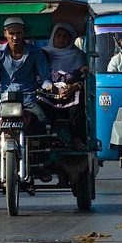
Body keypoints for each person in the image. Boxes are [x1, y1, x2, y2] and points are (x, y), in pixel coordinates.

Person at [0, 17, 52, 169]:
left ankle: (43, 160)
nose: (15, 37)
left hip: (27, 99)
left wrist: (48, 86)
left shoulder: (35, 53)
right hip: (3, 100)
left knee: (42, 120)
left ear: (23, 34)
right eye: (12, 33)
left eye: (19, 33)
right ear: (5, 34)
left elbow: (46, 77)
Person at [40, 22, 88, 150]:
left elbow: (85, 77)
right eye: (58, 36)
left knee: (79, 95)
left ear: (71, 38)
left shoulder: (77, 55)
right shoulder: (43, 54)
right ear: (53, 37)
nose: (61, 39)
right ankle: (43, 140)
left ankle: (76, 139)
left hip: (70, 92)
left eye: (65, 36)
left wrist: (73, 87)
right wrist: (50, 87)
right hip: (48, 92)